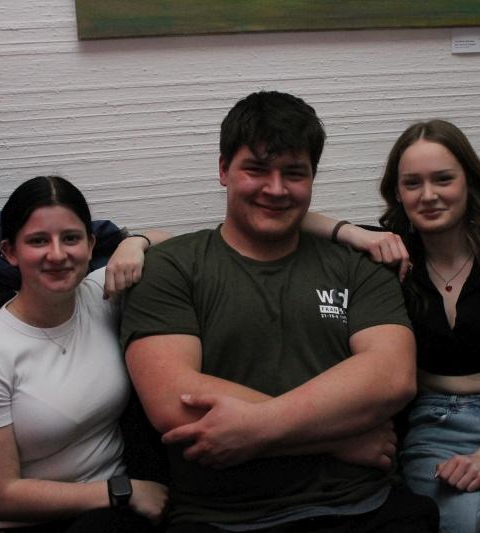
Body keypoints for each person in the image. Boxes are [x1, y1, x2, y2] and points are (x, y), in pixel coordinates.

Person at [120, 91, 439, 532]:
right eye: (256, 169)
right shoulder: (170, 267)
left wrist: (259, 427)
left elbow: (392, 377)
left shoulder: (359, 265)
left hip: (361, 506)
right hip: (223, 519)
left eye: (294, 173)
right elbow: (174, 403)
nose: (275, 189)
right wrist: (338, 438)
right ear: (223, 170)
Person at [303, 119, 480, 532]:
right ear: (398, 192)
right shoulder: (392, 256)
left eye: (443, 179)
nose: (428, 195)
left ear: (469, 182)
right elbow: (292, 217)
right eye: (412, 183)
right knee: (465, 523)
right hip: (434, 431)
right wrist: (354, 234)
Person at [0, 176, 170, 532]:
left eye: (70, 238)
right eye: (38, 241)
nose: (57, 255)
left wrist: (134, 242)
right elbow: (2, 495)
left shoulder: (100, 295)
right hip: (32, 522)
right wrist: (122, 491)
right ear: (10, 251)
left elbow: (184, 246)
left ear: (91, 244)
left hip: (110, 518)